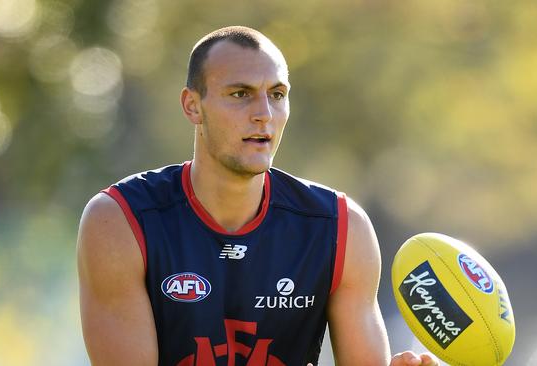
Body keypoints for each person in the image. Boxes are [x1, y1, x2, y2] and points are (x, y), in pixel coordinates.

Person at [77, 26, 438, 366]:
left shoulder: (343, 228)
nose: (264, 114)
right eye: (240, 94)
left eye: (277, 95)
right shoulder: (120, 221)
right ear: (192, 105)